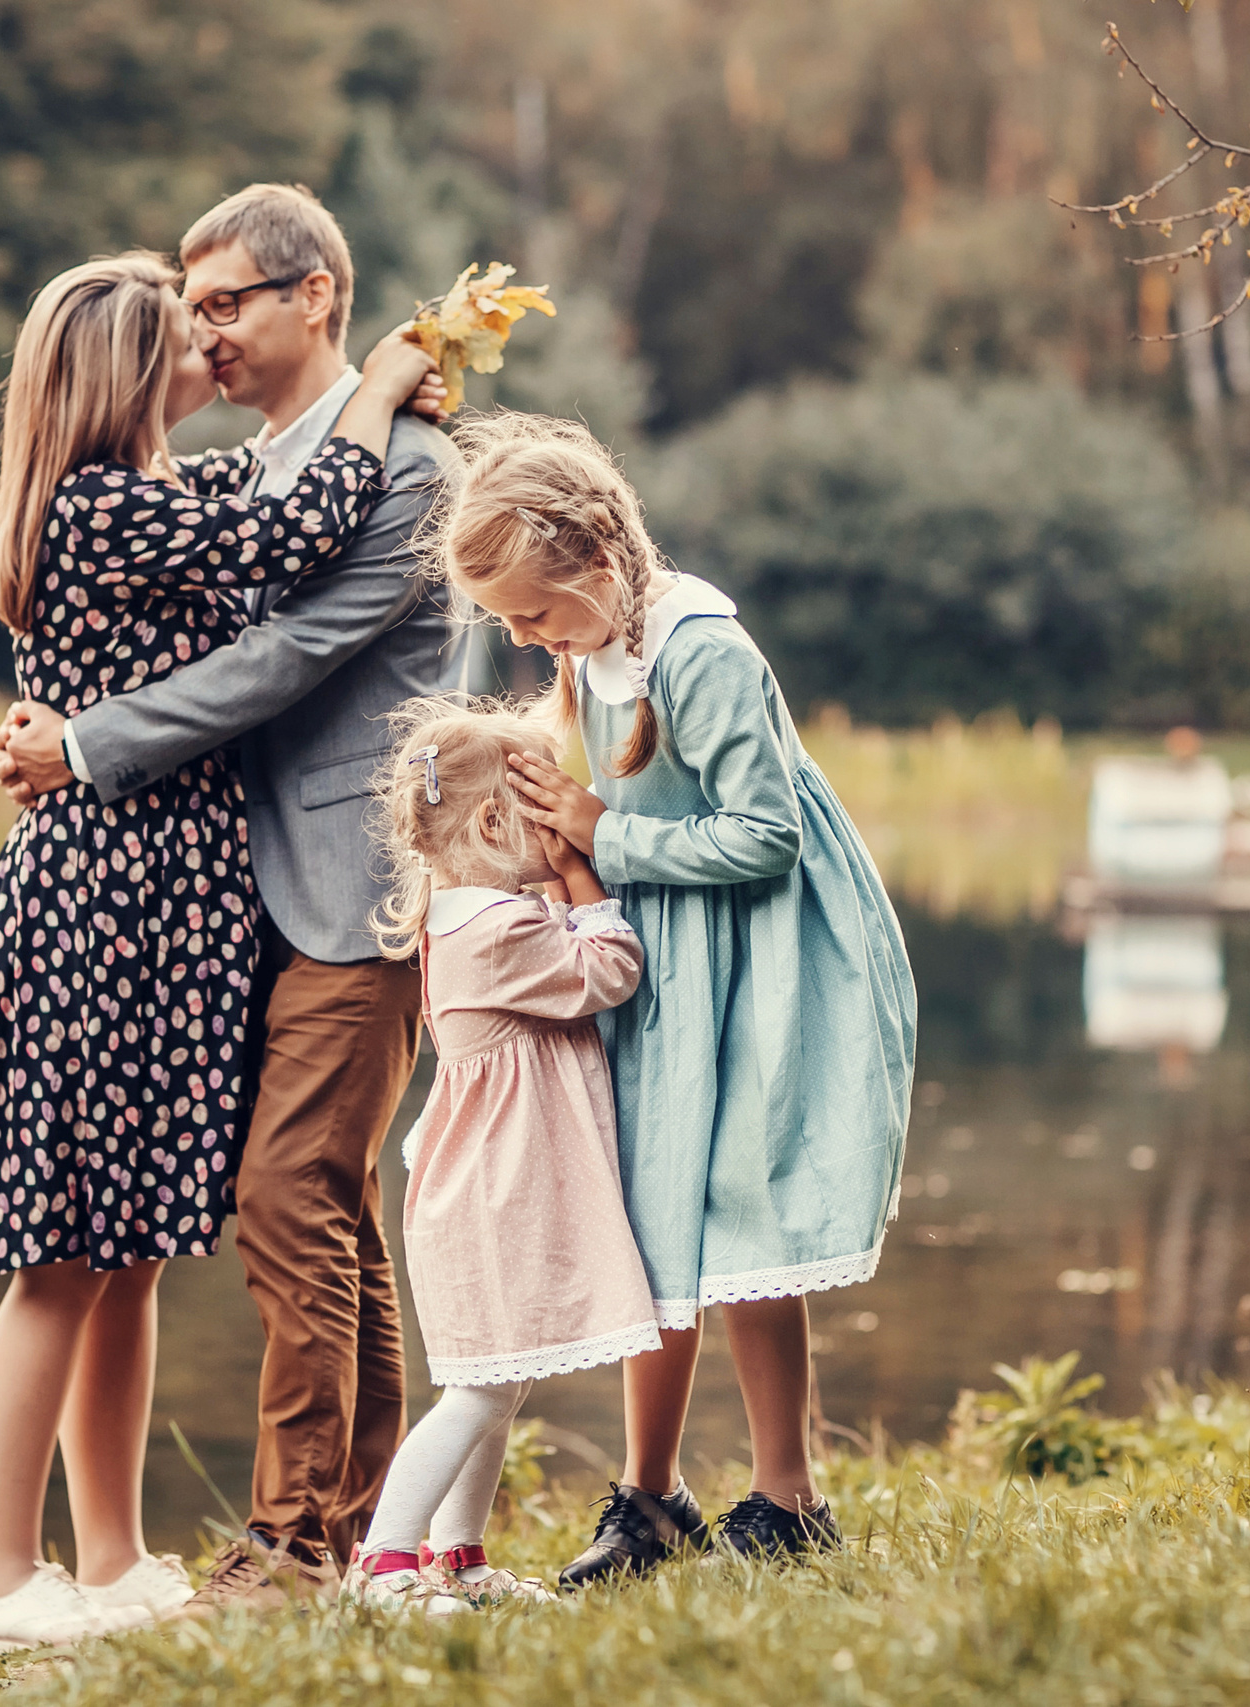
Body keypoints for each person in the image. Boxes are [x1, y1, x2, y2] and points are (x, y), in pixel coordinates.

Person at [0, 248, 437, 1652]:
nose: (207, 344)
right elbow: (292, 531)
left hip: (165, 907)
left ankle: (117, 1552)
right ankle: (6, 1577)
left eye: (221, 313)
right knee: (62, 1252)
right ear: (124, 374)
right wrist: (380, 381)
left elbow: (261, 502)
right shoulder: (105, 509)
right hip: (109, 908)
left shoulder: (155, 497)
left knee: (126, 1247)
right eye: (179, 329)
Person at [425, 412, 918, 1583]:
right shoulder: (597, 649)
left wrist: (604, 831)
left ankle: (786, 1496)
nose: (522, 635)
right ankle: (650, 1499)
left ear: (599, 555)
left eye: (532, 614)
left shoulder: (701, 652)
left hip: (766, 957)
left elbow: (765, 836)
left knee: (743, 1217)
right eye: (503, 618)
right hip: (671, 959)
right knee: (653, 1213)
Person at [344, 700, 659, 1614]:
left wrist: (553, 881)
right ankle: (384, 1566)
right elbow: (609, 969)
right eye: (543, 808)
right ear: (494, 823)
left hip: (483, 1184)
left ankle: (458, 1558)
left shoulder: (466, 917)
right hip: (494, 1193)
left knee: (496, 1376)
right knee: (480, 1388)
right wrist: (583, 875)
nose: (561, 820)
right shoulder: (500, 930)